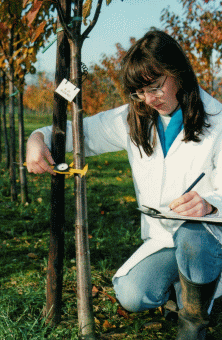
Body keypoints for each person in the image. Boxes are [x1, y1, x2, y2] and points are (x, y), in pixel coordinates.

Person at [25, 30, 222, 339]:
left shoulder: (218, 120)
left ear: (178, 73)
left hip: (209, 235)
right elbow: (78, 133)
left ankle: (194, 320)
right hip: (163, 239)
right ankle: (189, 288)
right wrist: (37, 138)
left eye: (155, 87)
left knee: (195, 235)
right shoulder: (135, 118)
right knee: (131, 294)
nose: (149, 99)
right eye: (139, 91)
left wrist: (210, 203)